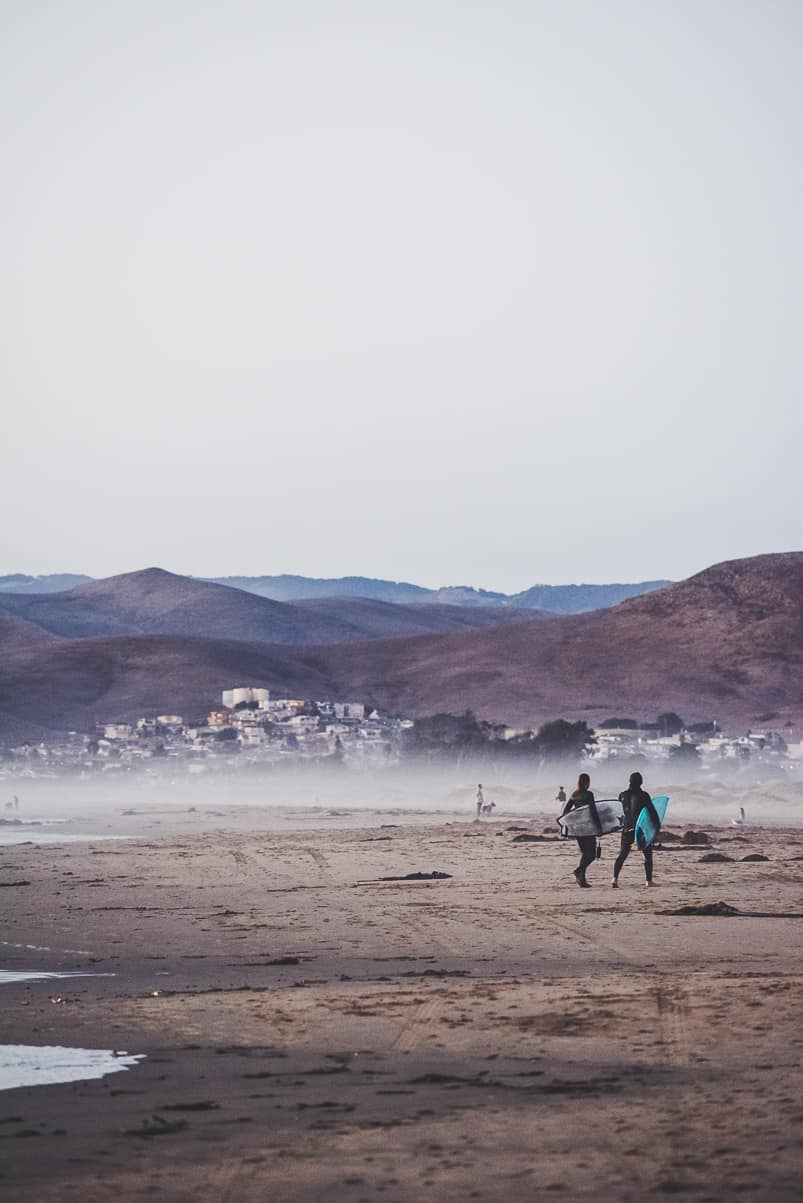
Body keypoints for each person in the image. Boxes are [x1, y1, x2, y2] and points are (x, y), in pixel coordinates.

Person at [611, 771, 661, 888]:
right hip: (640, 830)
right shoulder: (644, 795)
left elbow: (619, 812)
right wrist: (657, 825)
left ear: (629, 781)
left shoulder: (622, 795)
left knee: (622, 854)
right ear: (641, 782)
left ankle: (614, 879)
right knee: (648, 855)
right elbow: (651, 812)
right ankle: (649, 881)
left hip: (627, 828)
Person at [562, 772, 601, 888]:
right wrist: (599, 827)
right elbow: (593, 811)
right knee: (592, 854)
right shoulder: (589, 794)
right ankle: (579, 871)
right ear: (586, 782)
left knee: (585, 853)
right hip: (588, 828)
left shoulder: (574, 794)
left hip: (578, 829)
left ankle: (581, 879)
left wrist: (574, 821)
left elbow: (565, 811)